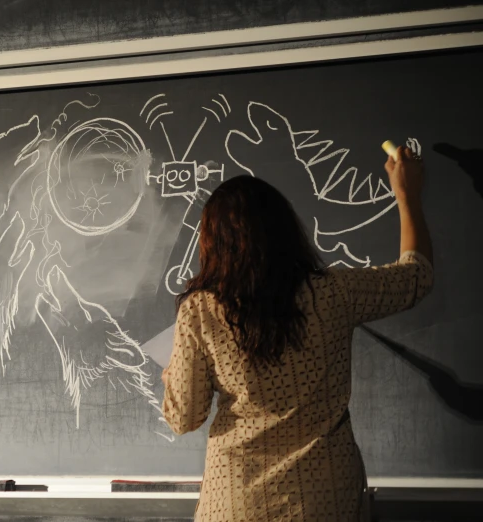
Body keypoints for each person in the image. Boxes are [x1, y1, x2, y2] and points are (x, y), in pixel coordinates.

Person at [161, 146, 433, 521]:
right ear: (286, 230)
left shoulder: (201, 310)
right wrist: (407, 196)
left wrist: (171, 373)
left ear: (212, 242)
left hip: (236, 502)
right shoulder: (335, 292)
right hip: (325, 500)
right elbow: (416, 277)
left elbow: (184, 418)